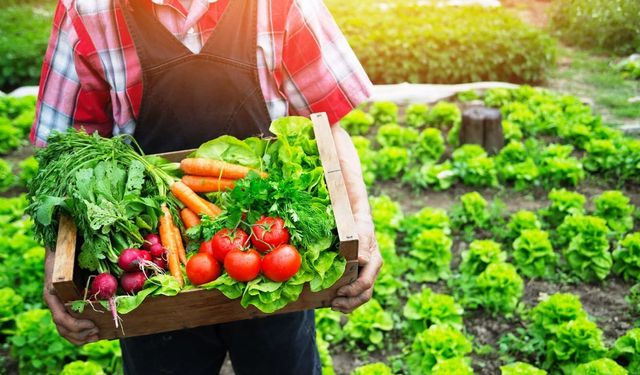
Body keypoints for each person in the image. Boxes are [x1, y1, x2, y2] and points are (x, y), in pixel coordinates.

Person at [31, 0, 381, 373]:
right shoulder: (85, 10)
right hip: (155, 262)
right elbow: (66, 158)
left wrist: (359, 219)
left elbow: (327, 121)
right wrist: (58, 263)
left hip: (269, 252)